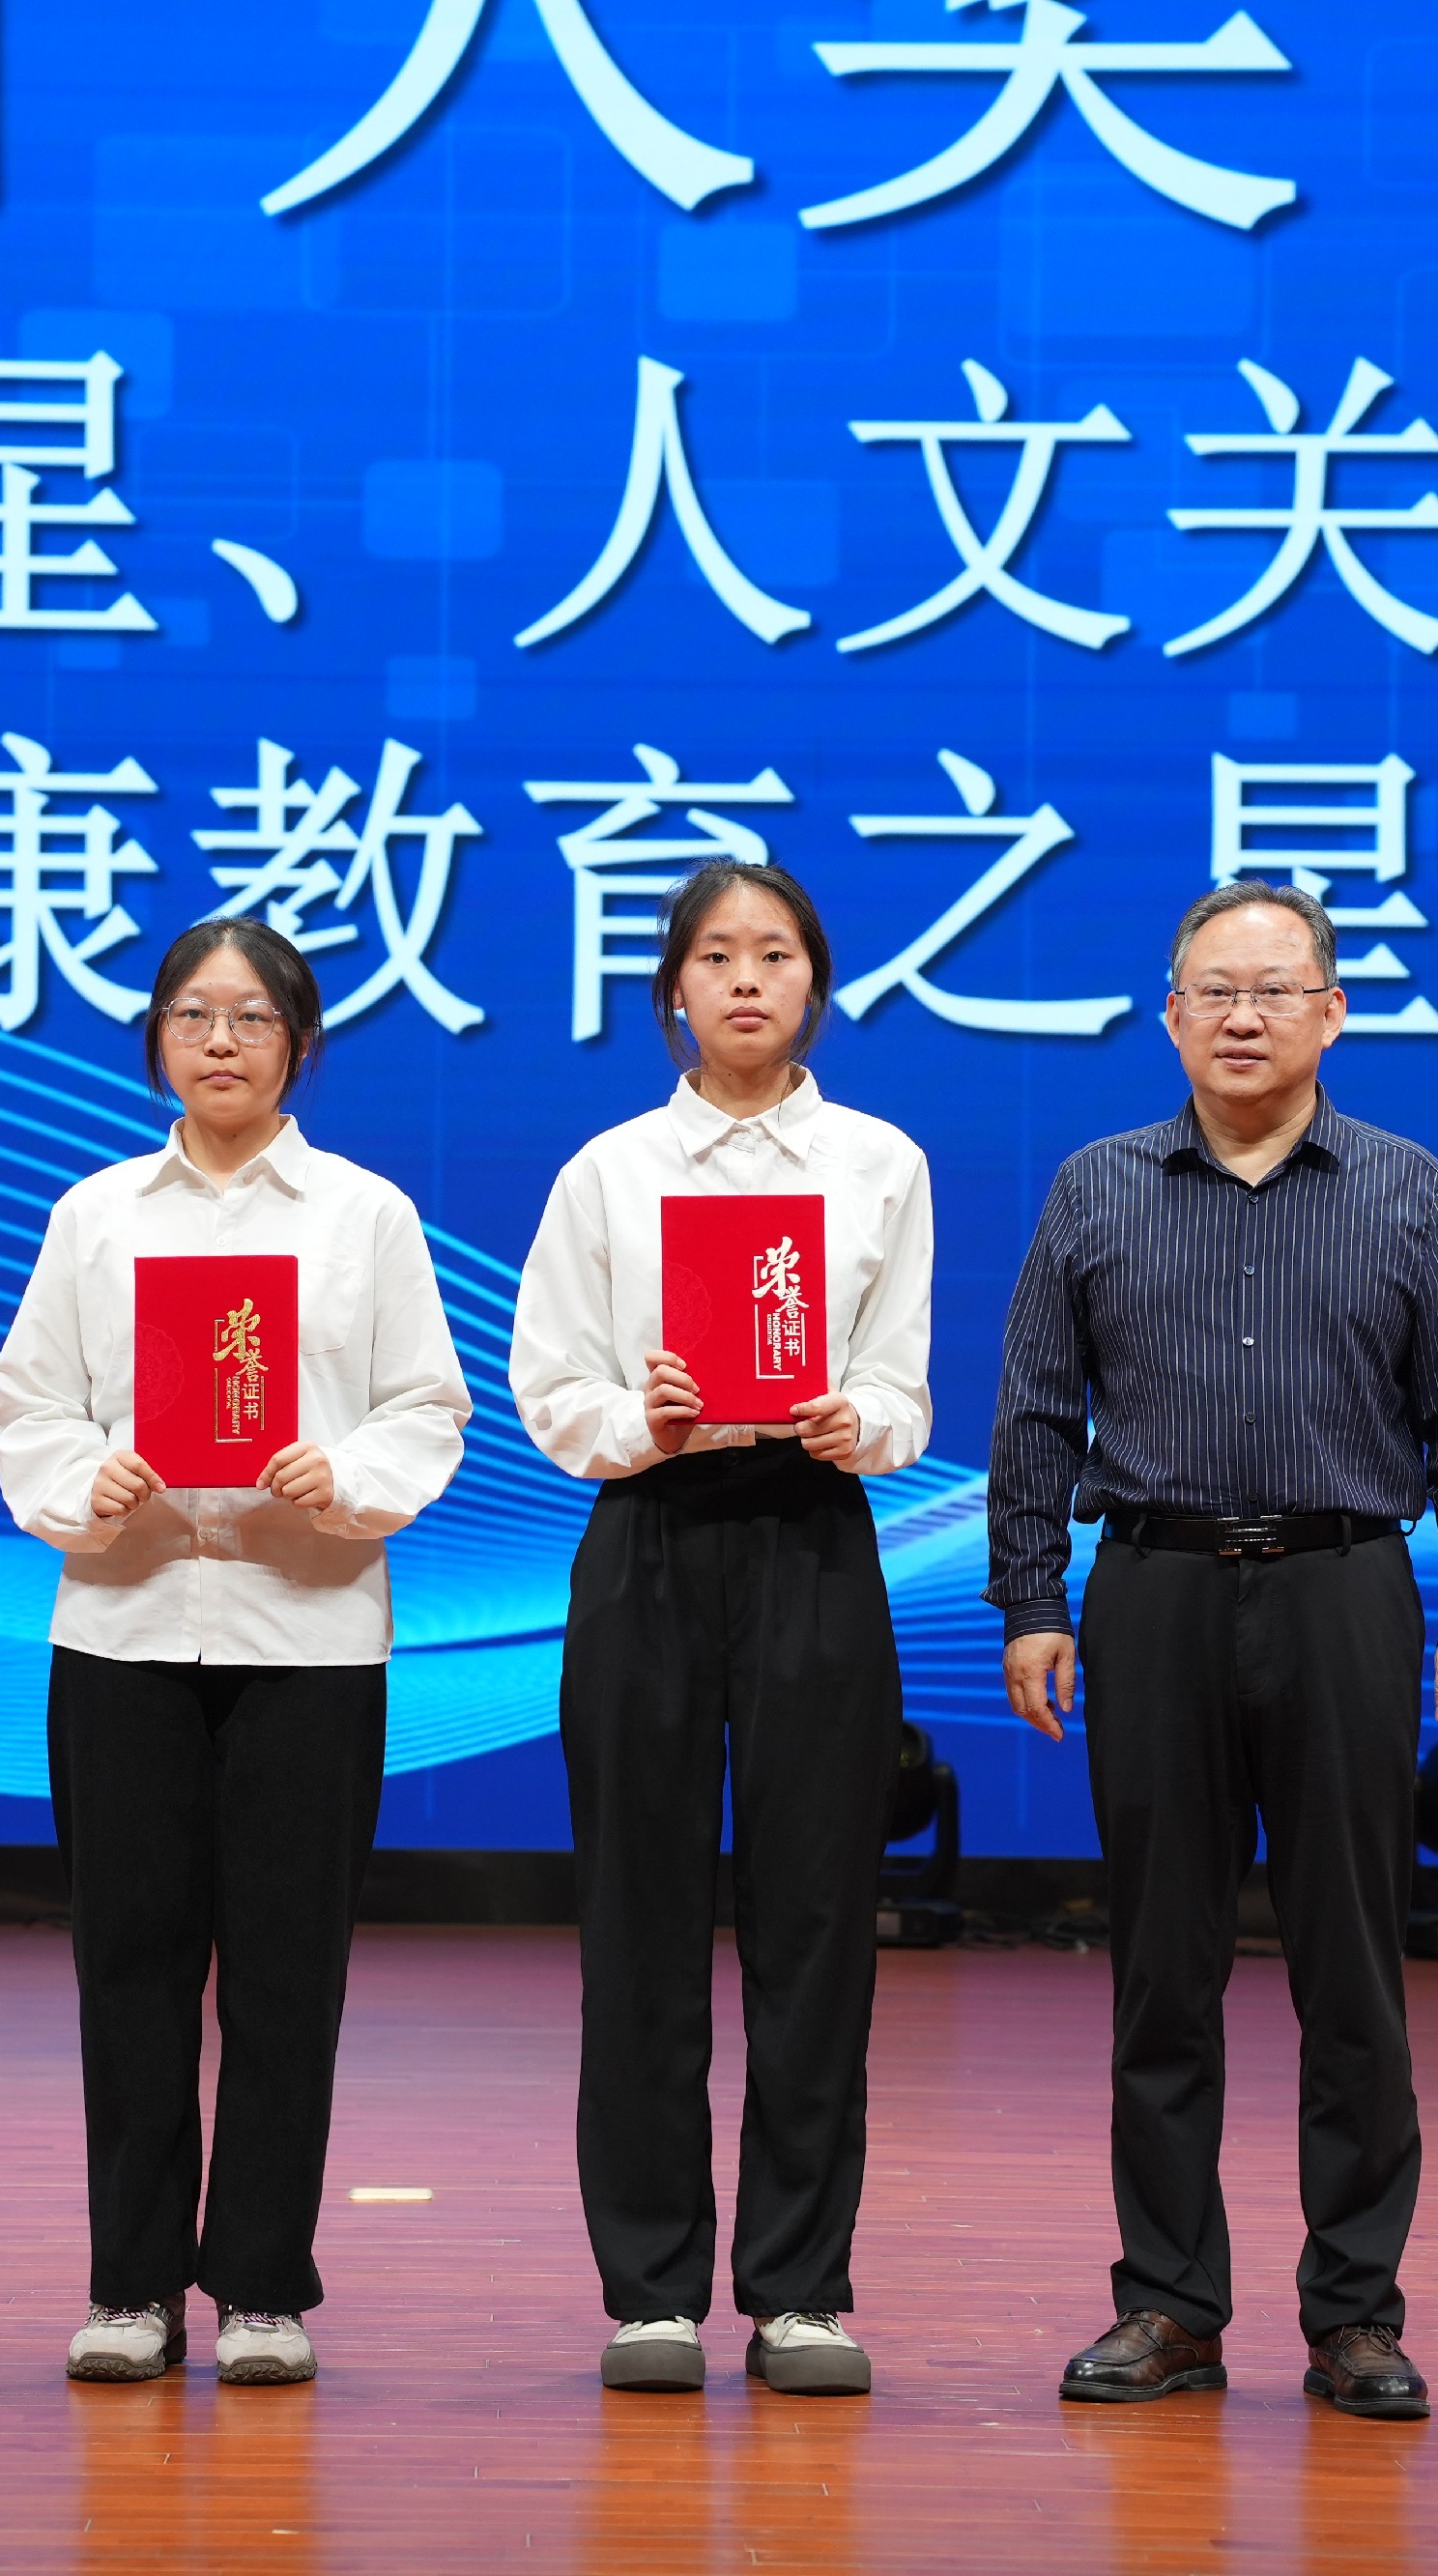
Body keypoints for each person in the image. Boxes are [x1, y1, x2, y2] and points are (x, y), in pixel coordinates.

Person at [987, 878, 1438, 2421]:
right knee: (1161, 1970)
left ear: (1332, 1012)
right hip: (1151, 1593)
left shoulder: (1408, 1189)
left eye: (1275, 989)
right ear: (1169, 1013)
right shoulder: (1097, 1186)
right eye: (1213, 990)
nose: (1243, 1016)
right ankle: (1168, 2301)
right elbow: (1034, 1413)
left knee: (1351, 1971)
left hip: (1343, 1590)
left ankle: (1355, 2312)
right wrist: (1031, 1597)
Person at [0, 919, 471, 2389]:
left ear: (298, 1044)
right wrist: (91, 1480)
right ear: (156, 1041)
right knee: (129, 1965)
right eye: (193, 1014)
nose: (219, 1040)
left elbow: (426, 1406)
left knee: (285, 1971)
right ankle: (131, 2283)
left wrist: (346, 1473)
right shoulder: (95, 1216)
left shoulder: (365, 1216)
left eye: (251, 1017)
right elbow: (33, 1404)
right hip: (126, 1624)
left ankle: (262, 2283)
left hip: (306, 1630)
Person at [508, 861, 935, 2400]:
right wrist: (645, 1417)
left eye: (776, 953)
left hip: (814, 1533)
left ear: (815, 982)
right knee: (638, 1914)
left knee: (818, 1917)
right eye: (715, 955)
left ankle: (802, 2286)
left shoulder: (880, 1162)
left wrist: (856, 1418)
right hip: (652, 1535)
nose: (747, 979)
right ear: (673, 991)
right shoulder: (609, 1171)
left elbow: (903, 1381)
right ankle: (652, 2288)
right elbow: (551, 1385)